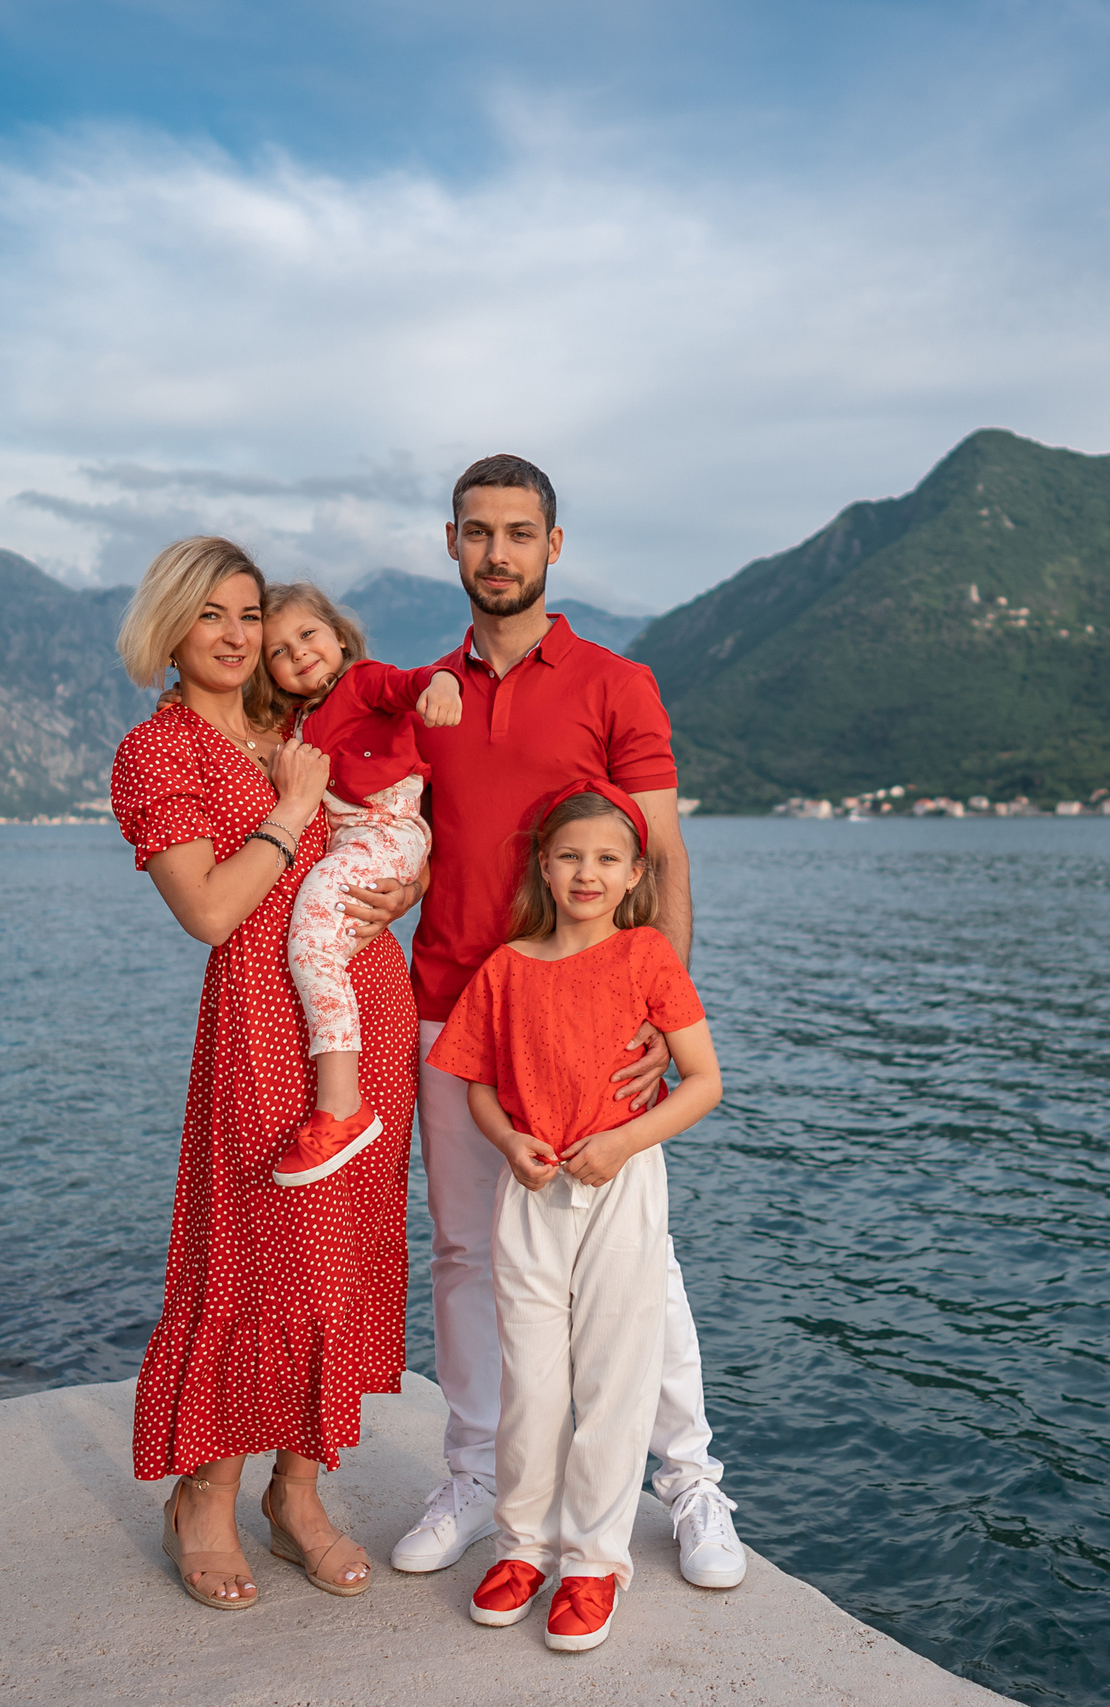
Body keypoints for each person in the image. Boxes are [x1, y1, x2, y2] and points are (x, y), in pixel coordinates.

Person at [383, 454, 749, 1590]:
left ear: (553, 547)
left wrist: (657, 1008)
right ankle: (479, 1477)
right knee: (463, 1256)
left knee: (640, 1267)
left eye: (520, 532)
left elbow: (663, 855)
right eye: (478, 532)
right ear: (451, 545)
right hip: (451, 1010)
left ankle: (686, 1481)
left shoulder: (615, 683)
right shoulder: (423, 694)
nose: (498, 552)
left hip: (592, 1027)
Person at [109, 536, 416, 1612]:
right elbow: (207, 910)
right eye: (214, 617)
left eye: (251, 614)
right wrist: (288, 812)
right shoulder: (161, 753)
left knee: (338, 1257)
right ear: (172, 629)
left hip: (368, 1012)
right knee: (256, 1253)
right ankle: (204, 1495)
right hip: (258, 1025)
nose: (240, 636)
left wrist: (396, 890)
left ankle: (297, 1494)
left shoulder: (300, 722)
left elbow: (387, 827)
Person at [426, 782, 724, 1652]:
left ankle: (594, 1560)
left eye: (606, 858)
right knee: (533, 1379)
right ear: (543, 867)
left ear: (635, 873)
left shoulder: (646, 958)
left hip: (620, 1184)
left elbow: (703, 1082)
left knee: (614, 1372)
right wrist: (512, 1142)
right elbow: (476, 1084)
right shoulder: (508, 966)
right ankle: (523, 1545)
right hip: (532, 1187)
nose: (586, 872)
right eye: (570, 856)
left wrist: (624, 1141)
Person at [252, 580, 461, 1187]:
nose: (297, 653)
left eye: (308, 635)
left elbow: (414, 681)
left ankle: (342, 1106)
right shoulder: (299, 721)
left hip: (391, 827)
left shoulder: (362, 681)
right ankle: (343, 1088)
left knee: (313, 927)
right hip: (358, 840)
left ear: (339, 637)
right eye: (279, 652)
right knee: (320, 946)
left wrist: (442, 684)